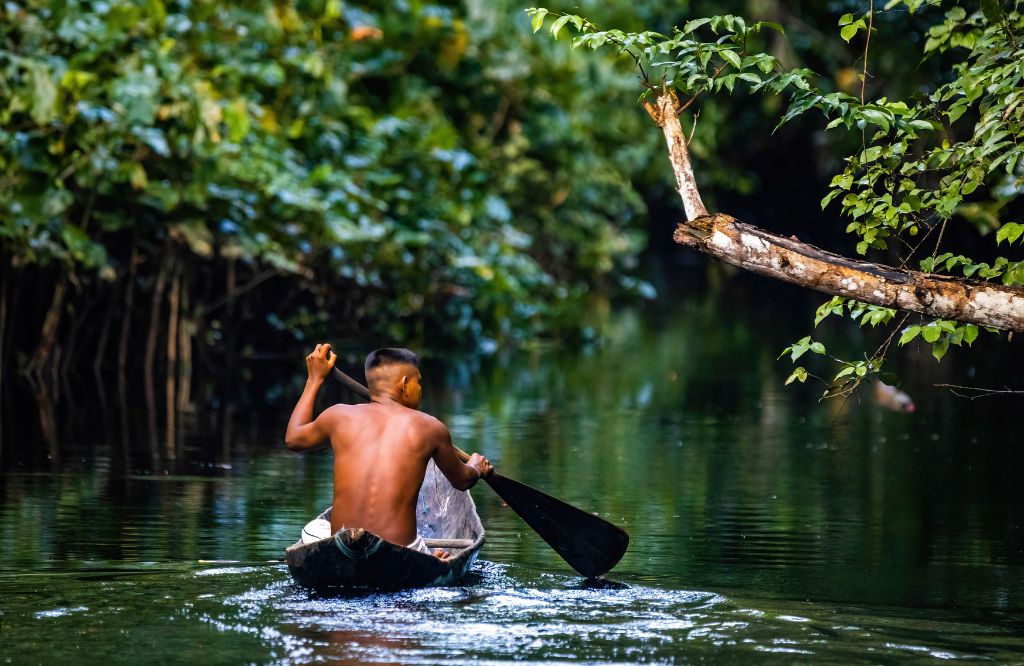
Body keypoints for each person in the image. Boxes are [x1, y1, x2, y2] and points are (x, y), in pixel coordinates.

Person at [284, 344, 492, 558]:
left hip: (343, 547)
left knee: (315, 529)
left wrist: (314, 380)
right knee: (421, 552)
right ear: (404, 384)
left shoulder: (338, 416)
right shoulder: (430, 427)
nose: (421, 389)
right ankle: (428, 557)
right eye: (418, 382)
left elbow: (293, 439)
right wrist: (476, 467)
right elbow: (462, 480)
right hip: (401, 552)